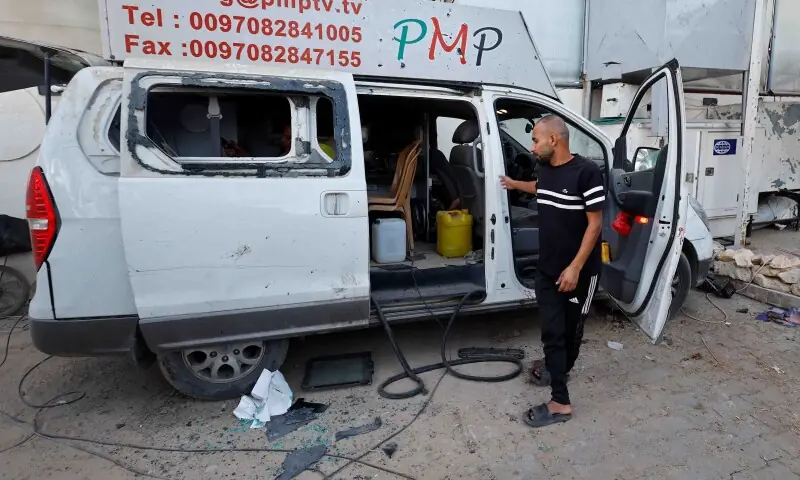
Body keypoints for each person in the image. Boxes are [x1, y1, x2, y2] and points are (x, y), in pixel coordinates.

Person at [499, 114, 604, 428]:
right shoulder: (545, 169)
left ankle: (560, 384)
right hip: (547, 271)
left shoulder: (586, 172)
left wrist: (575, 268)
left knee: (569, 331)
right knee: (552, 333)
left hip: (578, 274)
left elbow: (595, 224)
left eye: (535, 140)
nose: (532, 146)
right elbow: (540, 187)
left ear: (553, 140)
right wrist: (514, 184)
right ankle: (560, 393)